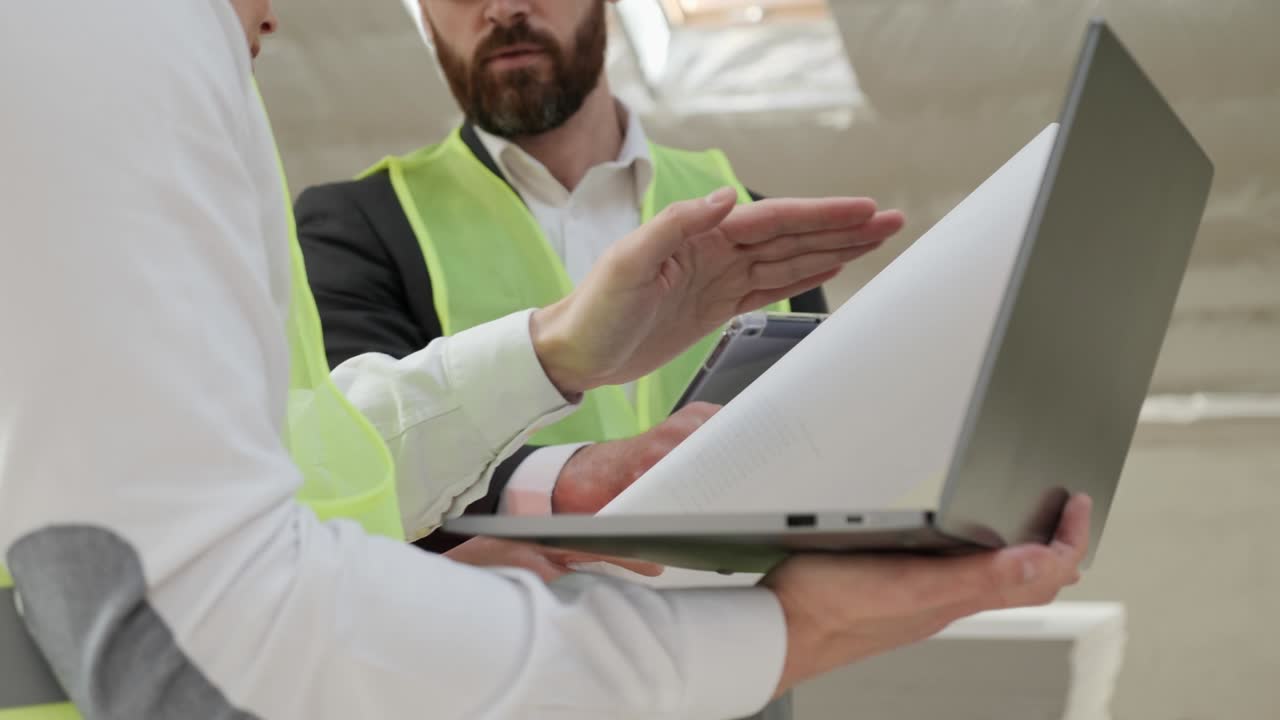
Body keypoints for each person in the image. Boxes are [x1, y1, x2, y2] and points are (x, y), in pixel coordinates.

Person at [0, 2, 1092, 719]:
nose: (270, 18)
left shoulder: (734, 203)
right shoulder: (118, 36)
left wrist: (553, 390)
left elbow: (303, 445)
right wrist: (788, 628)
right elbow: (196, 628)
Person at [293, 0, 887, 555]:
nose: (502, 9)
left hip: (733, 643)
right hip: (488, 654)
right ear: (424, 15)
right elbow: (349, 462)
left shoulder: (755, 230)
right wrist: (574, 480)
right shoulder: (355, 226)